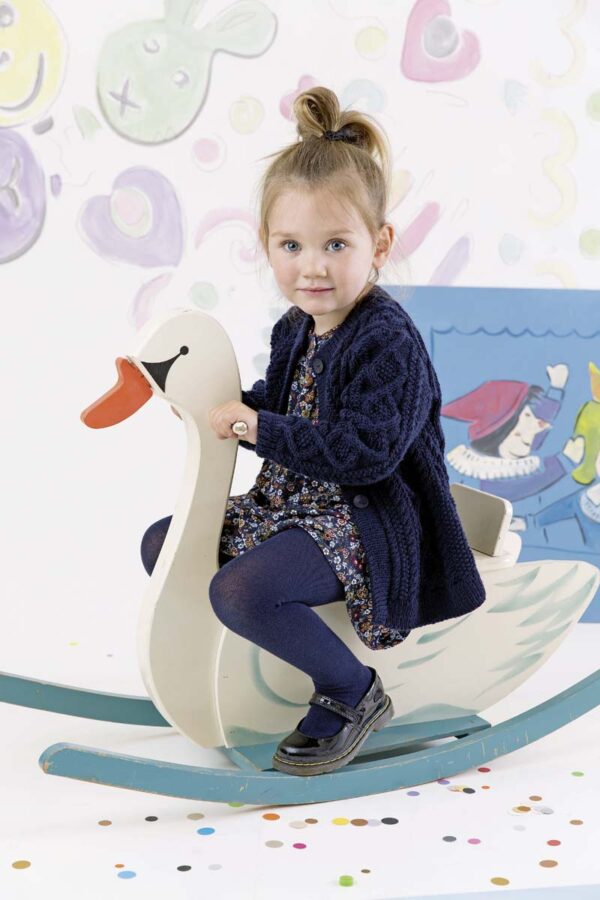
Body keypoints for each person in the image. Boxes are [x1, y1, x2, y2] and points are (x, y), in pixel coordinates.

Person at [140, 86, 486, 776]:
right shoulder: (295, 327)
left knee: (239, 589)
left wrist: (257, 426)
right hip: (293, 508)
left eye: (336, 244)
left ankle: (351, 689)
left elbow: (366, 454)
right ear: (266, 246)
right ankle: (252, 667)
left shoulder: (387, 341)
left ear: (379, 245)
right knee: (166, 543)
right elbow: (284, 402)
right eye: (292, 245)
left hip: (366, 519)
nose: (313, 266)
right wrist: (214, 404)